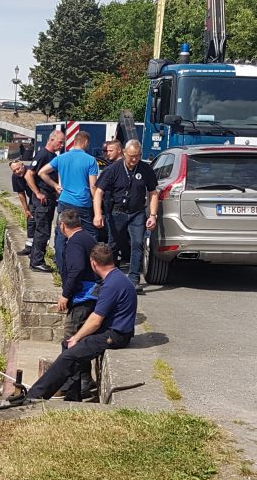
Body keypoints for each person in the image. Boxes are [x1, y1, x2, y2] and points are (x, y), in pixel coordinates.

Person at [14, 243, 136, 402]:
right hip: (113, 330)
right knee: (68, 346)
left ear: (93, 263)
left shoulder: (111, 285)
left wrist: (77, 337)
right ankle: (72, 395)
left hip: (115, 335)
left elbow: (95, 320)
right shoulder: (118, 277)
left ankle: (33, 396)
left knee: (69, 356)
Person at [92, 139, 159, 294]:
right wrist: (97, 214)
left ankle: (134, 279)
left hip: (137, 212)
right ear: (124, 153)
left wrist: (153, 215)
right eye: (131, 156)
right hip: (117, 212)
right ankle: (109, 279)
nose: (134, 159)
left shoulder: (145, 169)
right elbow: (98, 192)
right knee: (113, 245)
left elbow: (153, 193)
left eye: (137, 156)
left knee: (137, 244)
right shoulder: (113, 169)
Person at [52, 209, 99, 400]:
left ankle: (71, 388)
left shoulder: (74, 243)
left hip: (82, 297)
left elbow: (77, 268)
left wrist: (65, 294)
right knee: (82, 341)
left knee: (70, 340)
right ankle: (86, 381)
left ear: (62, 225)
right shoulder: (88, 237)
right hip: (92, 295)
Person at [39, 130, 99, 275]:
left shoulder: (62, 158)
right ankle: (91, 270)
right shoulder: (90, 160)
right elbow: (93, 186)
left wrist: (55, 185)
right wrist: (97, 205)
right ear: (85, 142)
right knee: (90, 235)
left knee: (61, 235)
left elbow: (41, 172)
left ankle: (62, 269)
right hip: (83, 203)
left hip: (64, 202)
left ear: (74, 142)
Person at [25, 129, 65, 273]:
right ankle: (37, 261)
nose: (61, 145)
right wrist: (38, 193)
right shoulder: (43, 155)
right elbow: (29, 175)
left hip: (49, 197)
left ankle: (36, 260)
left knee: (44, 230)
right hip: (43, 199)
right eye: (60, 142)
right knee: (42, 230)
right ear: (51, 139)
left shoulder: (52, 155)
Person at [99, 140, 123, 248]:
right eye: (106, 151)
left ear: (119, 150)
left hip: (113, 206)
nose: (107, 153)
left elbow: (98, 188)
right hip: (111, 205)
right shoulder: (110, 167)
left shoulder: (110, 169)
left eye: (110, 151)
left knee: (113, 237)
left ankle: (113, 261)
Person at [9, 159, 35, 256]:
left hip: (41, 196)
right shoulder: (15, 177)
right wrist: (26, 210)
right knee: (30, 221)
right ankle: (29, 246)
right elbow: (21, 193)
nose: (17, 172)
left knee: (41, 224)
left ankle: (38, 249)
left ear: (23, 165)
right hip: (32, 198)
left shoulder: (31, 171)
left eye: (18, 169)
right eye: (14, 171)